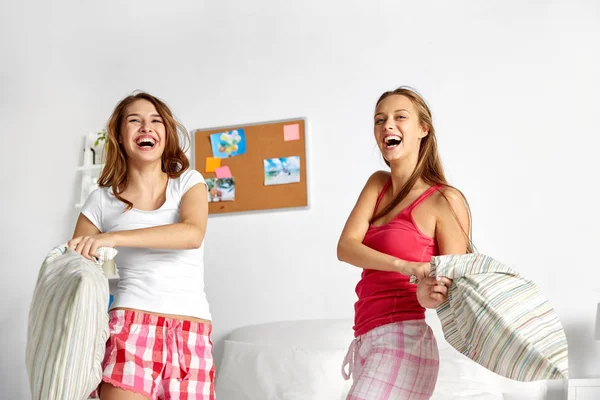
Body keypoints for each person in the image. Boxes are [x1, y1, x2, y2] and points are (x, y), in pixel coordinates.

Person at [68, 92, 215, 399]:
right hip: (129, 327)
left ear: (166, 133)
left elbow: (191, 234)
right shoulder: (101, 200)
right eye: (134, 121)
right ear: (120, 137)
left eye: (155, 121)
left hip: (191, 333)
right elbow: (74, 268)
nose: (146, 127)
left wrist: (113, 238)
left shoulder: (189, 182)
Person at [337, 87, 472, 399]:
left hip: (405, 339)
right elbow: (345, 247)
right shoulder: (377, 185)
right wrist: (405, 266)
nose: (387, 125)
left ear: (423, 129)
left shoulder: (444, 200)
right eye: (380, 120)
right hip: (366, 339)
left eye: (400, 117)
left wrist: (428, 294)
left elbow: (449, 289)